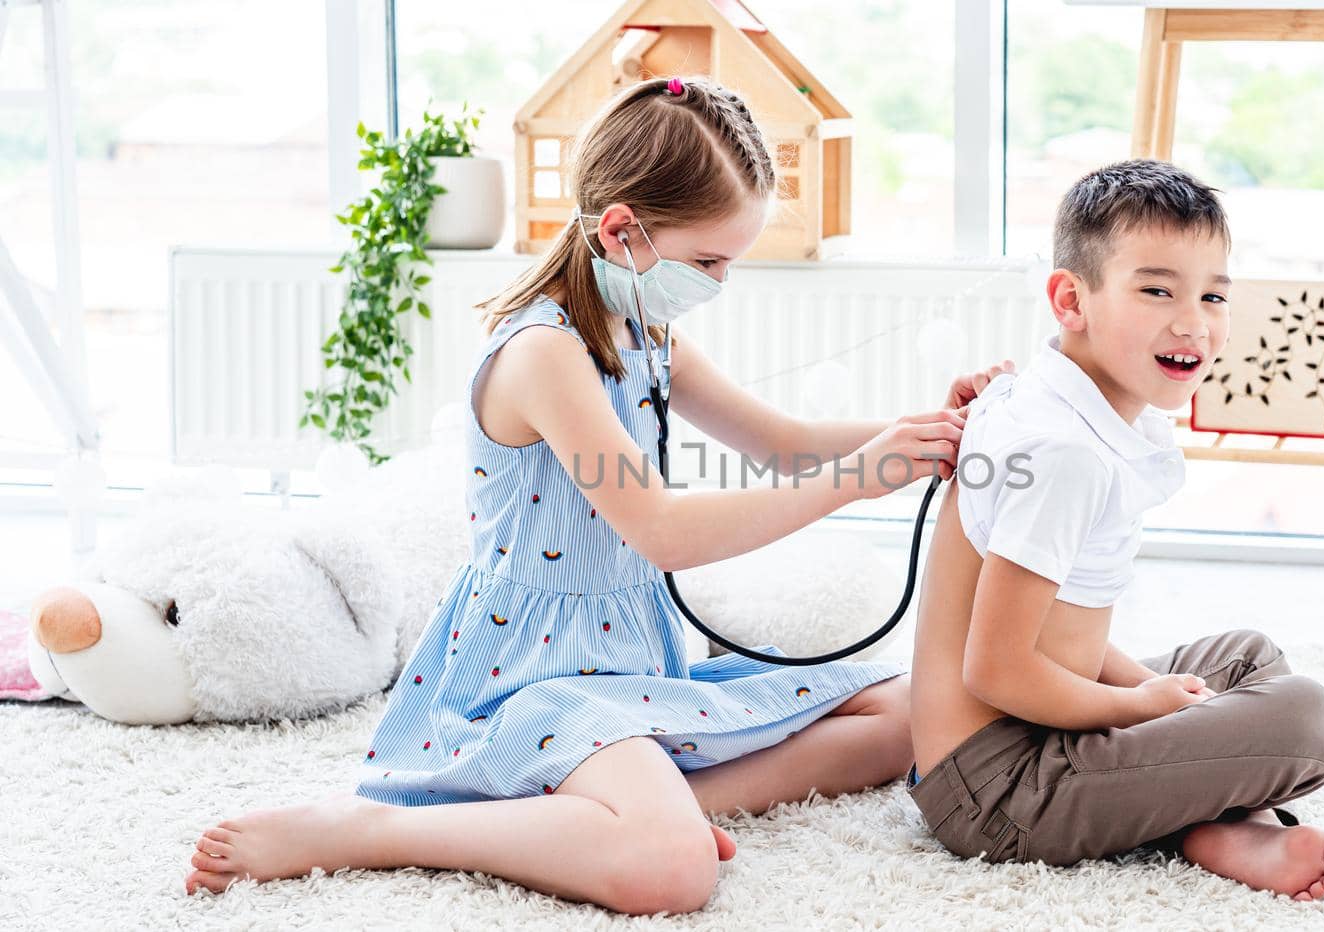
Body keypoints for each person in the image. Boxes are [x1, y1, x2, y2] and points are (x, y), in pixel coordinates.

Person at [185, 76, 1003, 914]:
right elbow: (665, 533)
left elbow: (780, 444)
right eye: (710, 260)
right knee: (675, 871)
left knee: (909, 712)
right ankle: (369, 831)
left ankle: (611, 811)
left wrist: (929, 431)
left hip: (631, 664)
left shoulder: (645, 330)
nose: (721, 281)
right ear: (623, 232)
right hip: (531, 678)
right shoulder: (544, 352)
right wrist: (864, 475)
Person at [906, 159, 1324, 901]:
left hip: (1032, 732)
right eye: (1157, 290)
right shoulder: (1065, 455)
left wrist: (1157, 688)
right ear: (1070, 300)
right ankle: (1204, 824)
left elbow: (1060, 636)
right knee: (1304, 719)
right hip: (998, 793)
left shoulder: (1051, 404)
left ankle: (1205, 817)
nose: (1193, 322)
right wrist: (1138, 707)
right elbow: (996, 671)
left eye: (1213, 295)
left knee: (1244, 657)